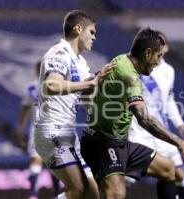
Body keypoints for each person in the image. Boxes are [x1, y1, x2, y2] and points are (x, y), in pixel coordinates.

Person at [81, 27, 184, 199]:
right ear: (148, 53)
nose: (158, 62)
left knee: (168, 169)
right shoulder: (130, 77)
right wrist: (179, 142)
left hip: (121, 142)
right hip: (102, 143)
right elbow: (145, 119)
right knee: (116, 194)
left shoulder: (120, 59)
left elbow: (89, 86)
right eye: (158, 56)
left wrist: (95, 109)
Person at [34, 10, 114, 199]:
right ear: (78, 29)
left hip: (69, 134)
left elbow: (87, 98)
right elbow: (52, 85)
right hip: (53, 131)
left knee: (93, 194)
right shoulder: (59, 53)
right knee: (77, 190)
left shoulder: (81, 63)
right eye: (92, 32)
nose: (94, 37)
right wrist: (90, 83)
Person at [128, 32, 184, 199]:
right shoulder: (137, 67)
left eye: (162, 44)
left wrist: (181, 126)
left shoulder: (168, 71)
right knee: (126, 179)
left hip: (161, 131)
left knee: (179, 175)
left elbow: (169, 100)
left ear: (166, 47)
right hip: (139, 130)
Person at [16, 61, 60, 199]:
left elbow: (24, 110)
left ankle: (34, 194)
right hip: (52, 130)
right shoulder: (58, 86)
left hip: (38, 131)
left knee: (37, 161)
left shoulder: (31, 88)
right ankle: (55, 194)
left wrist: (20, 130)